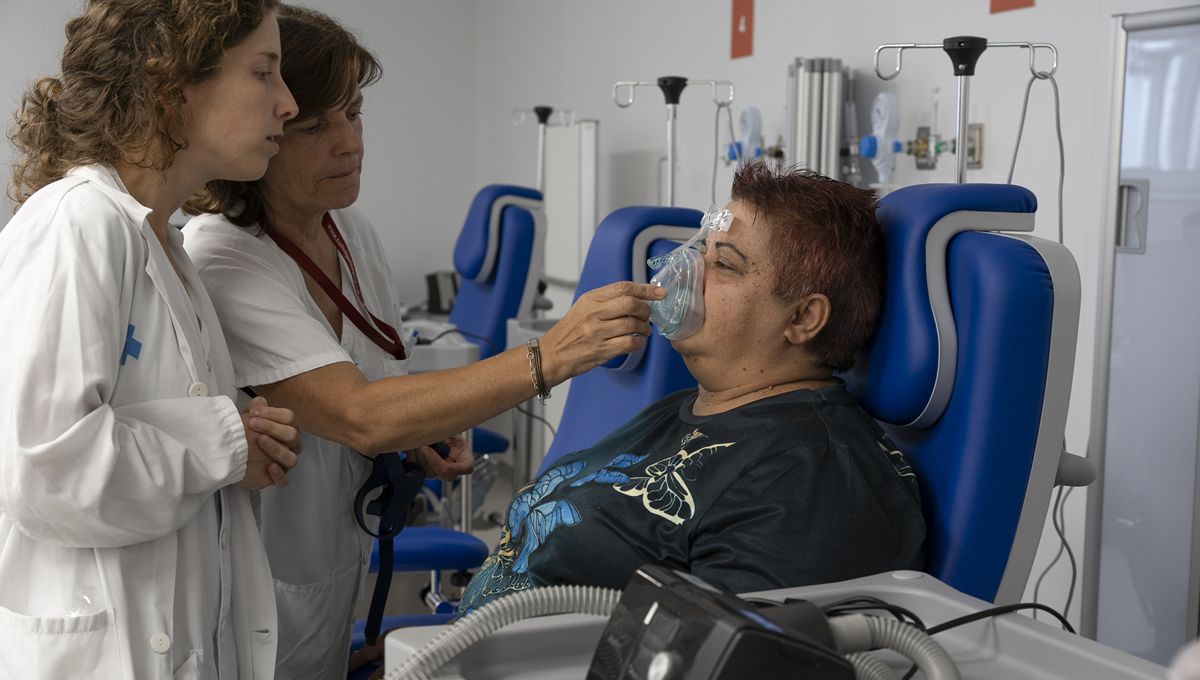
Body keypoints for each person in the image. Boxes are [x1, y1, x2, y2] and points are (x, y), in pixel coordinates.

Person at [180, 6, 665, 677]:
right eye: (315, 127)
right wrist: (550, 355)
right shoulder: (225, 257)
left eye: (354, 114)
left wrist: (420, 431)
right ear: (259, 132)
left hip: (336, 572)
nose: (349, 143)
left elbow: (382, 386)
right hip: (257, 585)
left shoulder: (350, 231)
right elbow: (357, 413)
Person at [458, 163, 927, 613]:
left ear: (803, 318)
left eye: (723, 263)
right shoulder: (681, 409)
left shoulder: (812, 480)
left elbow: (729, 655)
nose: (685, 271)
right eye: (700, 249)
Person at [0, 1, 303, 678]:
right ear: (172, 90)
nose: (287, 104)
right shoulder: (78, 225)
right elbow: (44, 468)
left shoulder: (164, 244)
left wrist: (235, 451)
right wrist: (224, 444)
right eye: (264, 74)